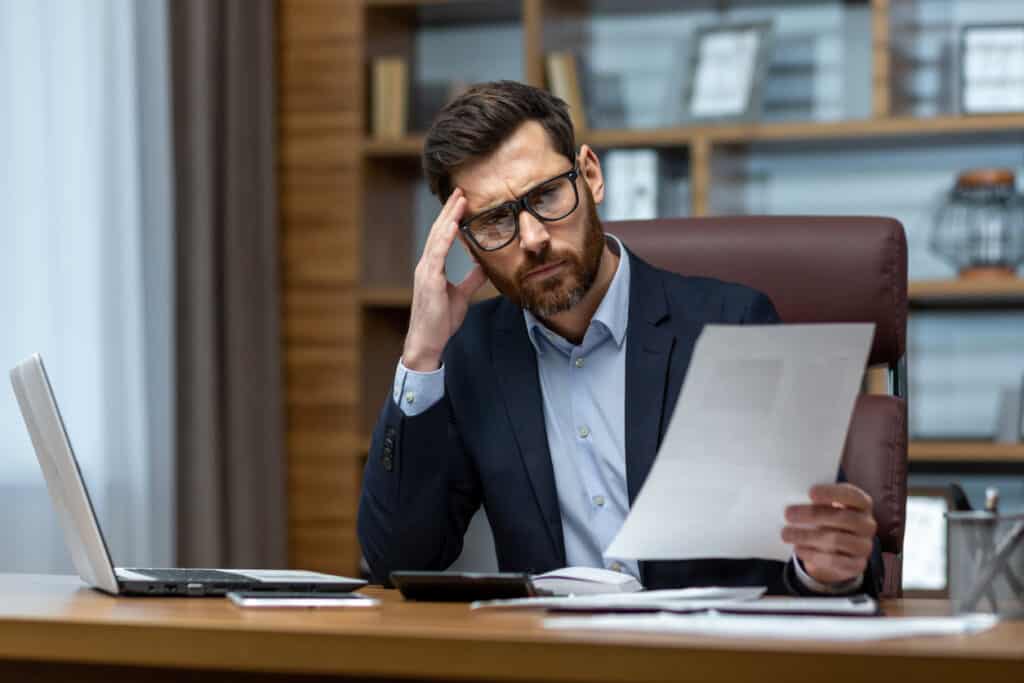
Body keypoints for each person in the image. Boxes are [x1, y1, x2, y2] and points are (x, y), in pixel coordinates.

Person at [358, 80, 881, 595]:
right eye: (495, 222)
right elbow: (398, 558)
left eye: (547, 195)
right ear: (468, 245)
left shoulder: (730, 323)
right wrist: (421, 357)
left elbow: (826, 544)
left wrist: (827, 566)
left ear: (590, 175)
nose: (534, 238)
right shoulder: (471, 352)